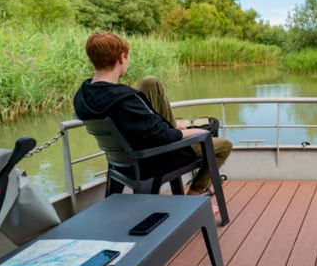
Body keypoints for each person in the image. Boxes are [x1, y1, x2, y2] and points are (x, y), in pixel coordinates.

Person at [73, 31, 232, 195]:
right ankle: (194, 196)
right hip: (153, 158)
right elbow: (165, 136)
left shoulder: (82, 95)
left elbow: (142, 123)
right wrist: (198, 132)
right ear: (121, 58)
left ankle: (179, 126)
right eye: (128, 57)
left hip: (123, 158)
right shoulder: (126, 100)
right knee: (223, 145)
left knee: (150, 83)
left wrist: (174, 126)